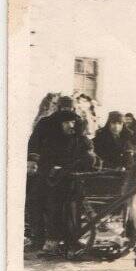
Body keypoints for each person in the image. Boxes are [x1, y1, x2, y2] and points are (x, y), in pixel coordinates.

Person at [29, 109, 96, 254]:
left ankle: (62, 239)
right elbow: (44, 158)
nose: (70, 125)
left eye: (72, 122)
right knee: (39, 201)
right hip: (50, 178)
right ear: (59, 123)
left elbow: (90, 158)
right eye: (66, 122)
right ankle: (41, 238)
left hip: (70, 180)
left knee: (64, 204)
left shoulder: (80, 139)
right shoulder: (52, 139)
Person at [26, 96, 82, 250]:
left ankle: (45, 239)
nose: (66, 112)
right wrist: (32, 160)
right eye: (64, 108)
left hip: (64, 171)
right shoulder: (46, 123)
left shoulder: (77, 124)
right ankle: (39, 237)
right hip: (47, 168)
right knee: (36, 200)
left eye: (68, 108)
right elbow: (34, 142)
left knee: (43, 201)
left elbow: (83, 144)